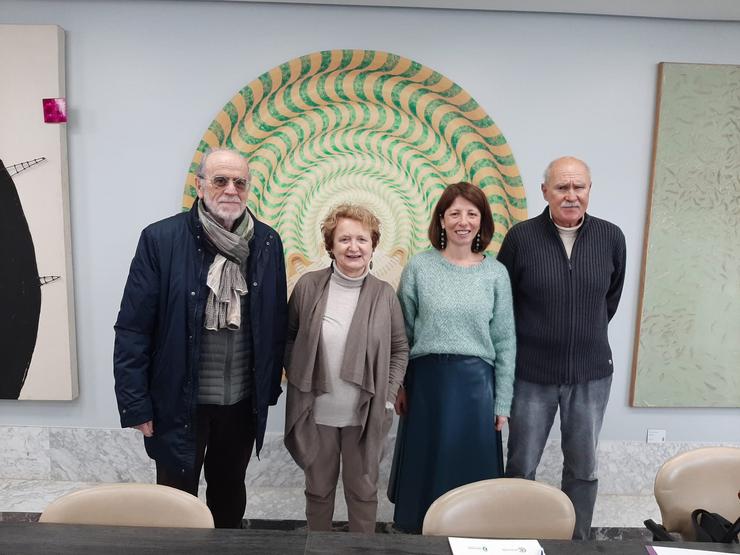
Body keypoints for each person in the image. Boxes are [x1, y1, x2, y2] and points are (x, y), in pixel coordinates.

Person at [113, 148, 287, 528]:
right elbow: (133, 328)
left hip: (240, 403)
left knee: (228, 495)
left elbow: (275, 324)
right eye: (220, 180)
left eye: (239, 182)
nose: (230, 190)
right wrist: (136, 404)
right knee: (176, 504)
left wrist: (267, 389)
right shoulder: (160, 239)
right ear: (201, 184)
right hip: (178, 401)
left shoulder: (268, 242)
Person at [498, 156, 626, 540]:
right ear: (545, 192)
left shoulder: (611, 236)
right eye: (562, 187)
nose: (571, 195)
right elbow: (505, 304)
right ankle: (516, 539)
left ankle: (579, 542)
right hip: (532, 374)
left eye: (579, 187)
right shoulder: (521, 238)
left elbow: (610, 299)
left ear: (589, 190)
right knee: (521, 465)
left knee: (583, 468)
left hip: (591, 374)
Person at [388, 182, 516, 533]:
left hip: (477, 388)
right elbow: (402, 335)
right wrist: (399, 383)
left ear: (482, 221)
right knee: (425, 472)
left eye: (472, 213)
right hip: (426, 386)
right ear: (441, 219)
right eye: (455, 213)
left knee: (471, 474)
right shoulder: (419, 268)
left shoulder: (496, 274)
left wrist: (502, 401)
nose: (464, 221)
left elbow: (505, 341)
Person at [283, 204, 408, 534]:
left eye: (362, 239)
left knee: (363, 492)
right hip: (317, 411)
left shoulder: (384, 295)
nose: (354, 247)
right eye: (345, 239)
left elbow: (399, 349)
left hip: (365, 414)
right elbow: (290, 336)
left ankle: (362, 550)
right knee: (318, 491)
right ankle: (318, 548)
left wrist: (387, 395)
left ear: (373, 245)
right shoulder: (308, 287)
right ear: (331, 245)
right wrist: (298, 378)